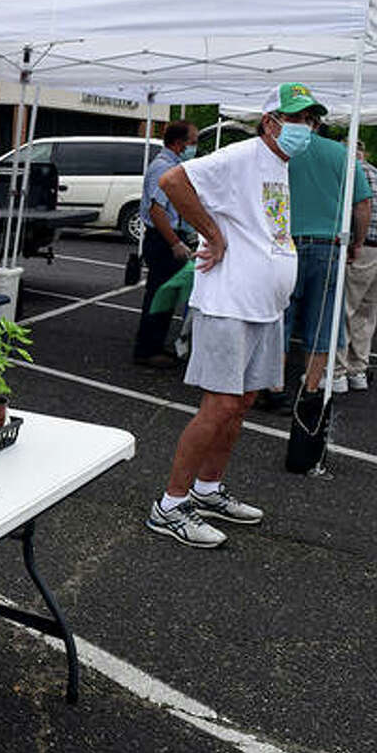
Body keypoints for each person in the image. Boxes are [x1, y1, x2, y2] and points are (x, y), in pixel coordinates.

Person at [145, 83, 318, 548]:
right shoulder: (243, 155)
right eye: (297, 119)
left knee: (240, 404)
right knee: (219, 405)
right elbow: (172, 182)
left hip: (263, 306)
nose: (306, 128)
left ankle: (206, 489)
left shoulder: (278, 165)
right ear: (271, 122)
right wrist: (212, 235)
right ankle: (171, 505)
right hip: (229, 304)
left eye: (312, 120)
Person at [257, 95, 370, 412]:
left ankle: (275, 388)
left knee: (281, 318)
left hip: (284, 244)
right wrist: (357, 242)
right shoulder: (341, 154)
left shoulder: (279, 153)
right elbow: (362, 204)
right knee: (322, 322)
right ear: (317, 125)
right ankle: (310, 391)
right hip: (329, 246)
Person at [133, 121, 199, 368]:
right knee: (158, 296)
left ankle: (155, 346)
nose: (194, 147)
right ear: (179, 143)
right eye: (192, 142)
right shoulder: (163, 168)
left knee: (166, 295)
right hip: (162, 239)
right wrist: (174, 243)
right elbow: (157, 210)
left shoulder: (175, 167)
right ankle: (146, 350)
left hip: (169, 237)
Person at [337, 141, 377, 391]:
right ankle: (358, 370)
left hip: (360, 248)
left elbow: (354, 210)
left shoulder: (352, 174)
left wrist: (355, 241)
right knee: (366, 315)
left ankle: (338, 372)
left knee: (344, 312)